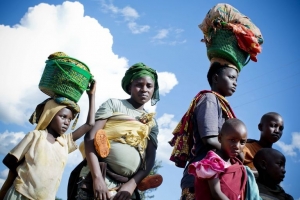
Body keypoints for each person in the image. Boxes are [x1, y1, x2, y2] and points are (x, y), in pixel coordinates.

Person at [168, 3, 263, 199]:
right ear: (215, 77)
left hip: (216, 178)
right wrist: (238, 154)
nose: (235, 83)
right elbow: (209, 139)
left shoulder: (219, 103)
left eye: (237, 79)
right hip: (202, 180)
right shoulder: (209, 100)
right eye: (231, 77)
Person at [70, 63, 162, 200]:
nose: (144, 89)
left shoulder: (152, 122)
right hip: (99, 178)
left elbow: (149, 159)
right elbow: (90, 137)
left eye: (149, 86)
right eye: (139, 84)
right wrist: (97, 178)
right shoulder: (114, 104)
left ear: (154, 90)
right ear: (129, 86)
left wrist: (131, 185)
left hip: (124, 189)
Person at [0, 80, 96, 200]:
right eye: (63, 117)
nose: (67, 122)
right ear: (50, 115)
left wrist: (91, 95)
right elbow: (10, 160)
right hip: (20, 195)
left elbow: (90, 124)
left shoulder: (65, 142)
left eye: (70, 119)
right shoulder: (35, 136)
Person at [188, 118, 248, 200]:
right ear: (219, 138)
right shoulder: (213, 162)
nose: (237, 146)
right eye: (232, 140)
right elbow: (216, 193)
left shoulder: (237, 165)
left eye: (242, 142)